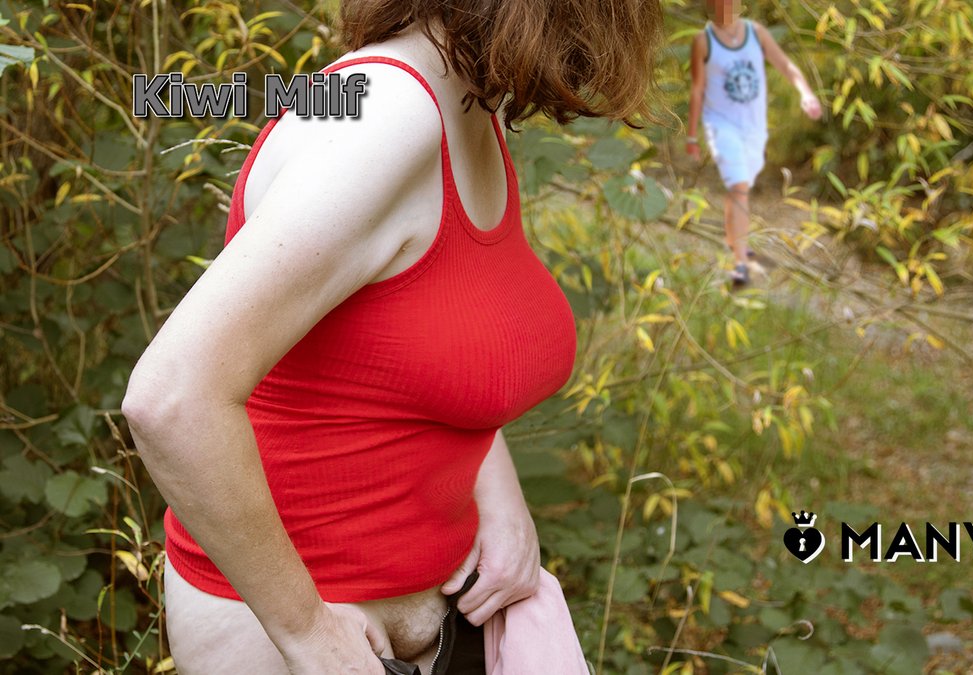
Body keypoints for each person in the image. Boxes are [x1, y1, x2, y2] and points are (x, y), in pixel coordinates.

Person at [120, 2, 662, 673]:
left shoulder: (467, 101)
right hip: (306, 640)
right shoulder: (385, 118)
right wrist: (307, 632)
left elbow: (420, 348)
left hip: (447, 616)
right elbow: (171, 398)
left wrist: (500, 494)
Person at [686, 0, 823, 286]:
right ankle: (740, 263)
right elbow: (697, 89)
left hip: (754, 127)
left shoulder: (756, 33)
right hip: (721, 125)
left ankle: (736, 241)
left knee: (741, 187)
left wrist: (806, 93)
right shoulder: (703, 41)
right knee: (739, 186)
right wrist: (691, 136)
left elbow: (785, 65)